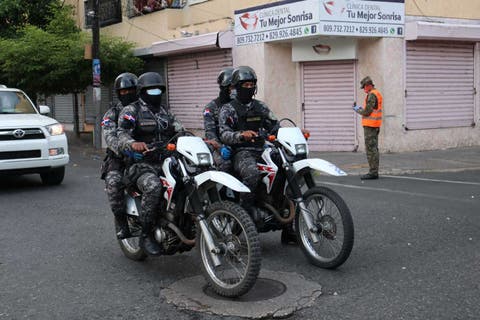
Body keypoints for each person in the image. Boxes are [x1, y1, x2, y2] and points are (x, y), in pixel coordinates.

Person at [117, 72, 183, 255]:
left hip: (166, 160)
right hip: (140, 164)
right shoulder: (131, 111)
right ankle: (146, 234)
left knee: (189, 180)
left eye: (158, 90)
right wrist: (132, 144)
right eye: (150, 90)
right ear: (142, 91)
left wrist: (201, 141)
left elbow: (181, 131)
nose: (155, 93)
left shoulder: (165, 112)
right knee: (153, 186)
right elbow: (121, 134)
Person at [218, 66, 279, 221]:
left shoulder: (261, 106)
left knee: (285, 167)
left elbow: (275, 126)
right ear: (237, 87)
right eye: (246, 85)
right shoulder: (228, 109)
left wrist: (292, 134)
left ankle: (282, 212)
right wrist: (240, 135)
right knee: (252, 173)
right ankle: (245, 214)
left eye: (252, 85)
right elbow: (224, 134)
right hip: (241, 152)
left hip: (263, 149)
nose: (249, 88)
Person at [101, 72, 139, 240]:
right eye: (122, 92)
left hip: (148, 156)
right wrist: (126, 149)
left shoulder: (145, 110)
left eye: (130, 90)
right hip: (119, 159)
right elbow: (110, 138)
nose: (126, 94)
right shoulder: (111, 114)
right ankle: (122, 223)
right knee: (114, 184)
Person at [203, 67, 234, 172]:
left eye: (235, 87)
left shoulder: (238, 105)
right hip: (219, 147)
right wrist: (220, 148)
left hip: (238, 144)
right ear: (222, 87)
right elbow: (210, 134)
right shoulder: (211, 108)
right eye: (230, 87)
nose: (233, 90)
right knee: (226, 164)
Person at [353, 76, 383, 180]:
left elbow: (367, 112)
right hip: (374, 125)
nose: (364, 89)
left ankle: (373, 172)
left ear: (369, 85)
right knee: (373, 148)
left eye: (364, 87)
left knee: (371, 149)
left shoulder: (372, 95)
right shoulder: (376, 93)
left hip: (371, 126)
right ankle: (374, 171)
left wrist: (358, 110)